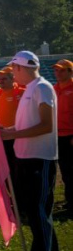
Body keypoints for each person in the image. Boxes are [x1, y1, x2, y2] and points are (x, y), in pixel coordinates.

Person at [1, 51, 61, 251]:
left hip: (40, 158)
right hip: (27, 157)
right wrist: (9, 130)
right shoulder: (30, 90)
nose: (11, 73)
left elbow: (46, 125)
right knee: (37, 213)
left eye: (13, 69)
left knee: (38, 213)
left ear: (20, 67)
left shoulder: (42, 88)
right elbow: (29, 122)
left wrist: (13, 133)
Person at [0, 66, 24, 194]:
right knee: (7, 168)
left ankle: (20, 199)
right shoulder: (0, 93)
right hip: (3, 137)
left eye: (4, 78)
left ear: (13, 79)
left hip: (17, 137)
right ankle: (14, 197)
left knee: (18, 169)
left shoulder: (20, 92)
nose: (1, 81)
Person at [53, 59, 73, 214]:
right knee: (65, 170)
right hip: (57, 136)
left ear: (70, 72)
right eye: (56, 70)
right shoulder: (53, 89)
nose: (58, 73)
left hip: (70, 135)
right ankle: (69, 200)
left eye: (62, 70)